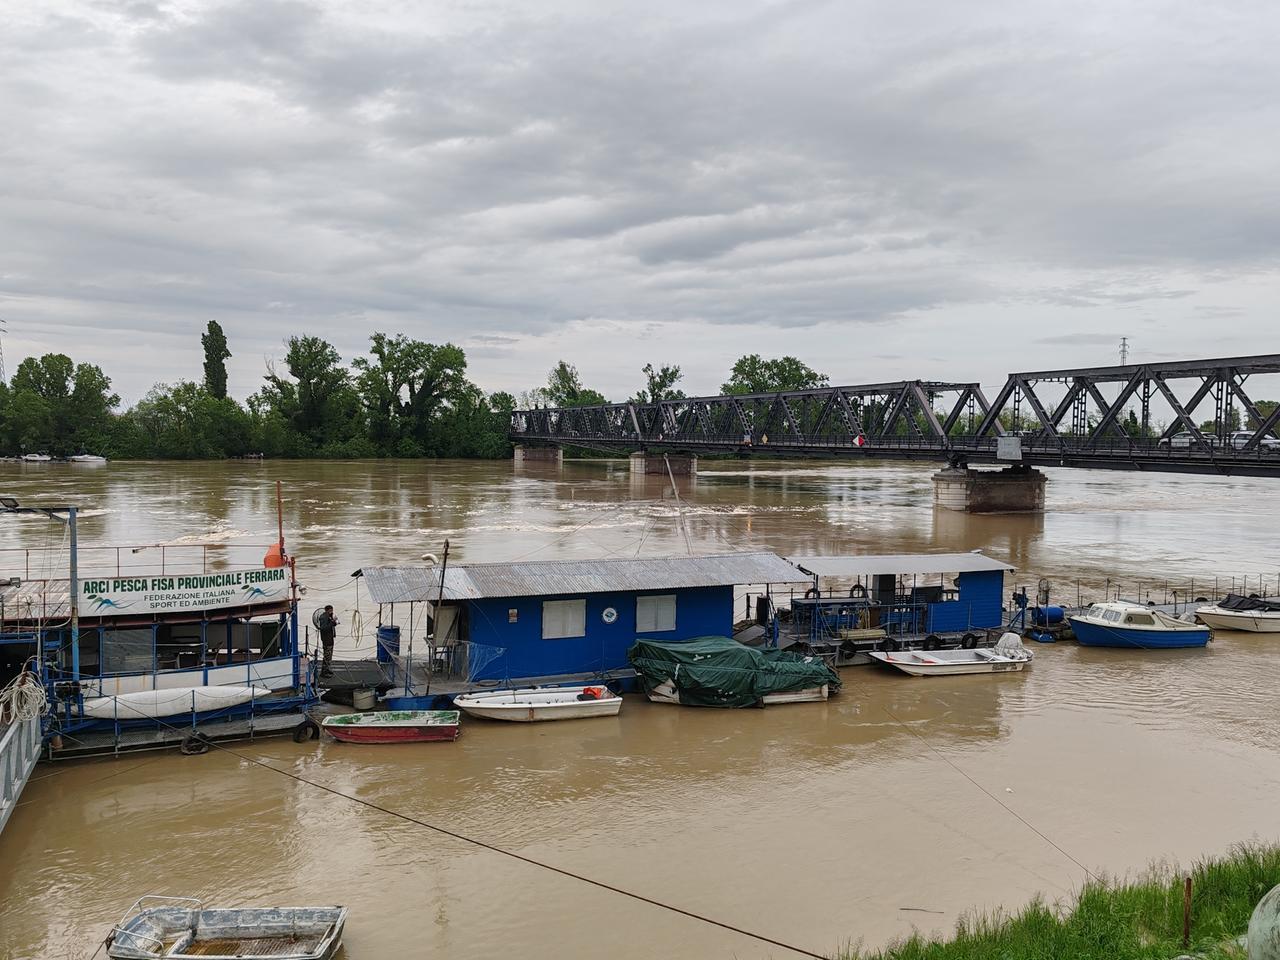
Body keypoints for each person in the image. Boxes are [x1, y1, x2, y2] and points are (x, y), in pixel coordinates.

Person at [318, 605, 337, 678]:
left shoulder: (329, 616)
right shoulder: (323, 617)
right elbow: (323, 628)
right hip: (326, 639)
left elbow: (332, 624)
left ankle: (327, 668)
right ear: (327, 610)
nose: (332, 612)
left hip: (330, 638)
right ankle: (324, 672)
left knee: (329, 656)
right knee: (327, 656)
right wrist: (331, 623)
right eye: (331, 610)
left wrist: (334, 621)